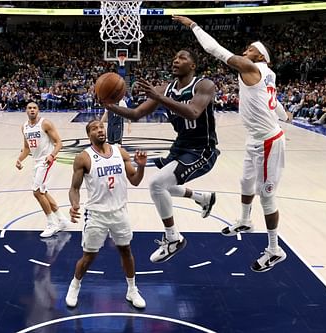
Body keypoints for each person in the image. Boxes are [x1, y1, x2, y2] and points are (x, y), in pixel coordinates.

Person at [173, 15, 291, 272]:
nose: (244, 51)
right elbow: (274, 100)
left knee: (267, 196)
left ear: (260, 57)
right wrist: (284, 115)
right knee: (245, 182)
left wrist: (193, 25)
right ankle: (245, 221)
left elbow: (214, 49)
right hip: (255, 137)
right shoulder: (267, 74)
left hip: (269, 141)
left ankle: (274, 249)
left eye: (250, 49)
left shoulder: (252, 68)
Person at [103, 49, 218, 264]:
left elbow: (193, 112)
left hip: (202, 148)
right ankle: (202, 198)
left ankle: (173, 238)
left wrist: (159, 97)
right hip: (180, 146)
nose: (175, 60)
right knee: (161, 185)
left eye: (182, 58)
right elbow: (137, 113)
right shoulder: (166, 89)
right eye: (174, 57)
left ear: (192, 66)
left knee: (157, 184)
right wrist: (110, 106)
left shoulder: (204, 85)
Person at [65, 120, 147, 309]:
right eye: (94, 128)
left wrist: (141, 166)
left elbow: (134, 180)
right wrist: (74, 204)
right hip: (96, 214)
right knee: (88, 256)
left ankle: (132, 290)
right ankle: (74, 285)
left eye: (101, 127)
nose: (100, 130)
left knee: (126, 250)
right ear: (89, 135)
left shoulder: (120, 152)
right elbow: (74, 188)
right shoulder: (83, 158)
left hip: (119, 212)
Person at [16, 102, 68, 238]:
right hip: (36, 162)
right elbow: (27, 148)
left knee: (37, 192)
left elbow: (59, 142)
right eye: (29, 108)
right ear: (26, 110)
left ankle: (52, 224)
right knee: (43, 192)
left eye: (34, 108)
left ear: (38, 110)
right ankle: (61, 219)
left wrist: (52, 155)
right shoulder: (24, 127)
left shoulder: (45, 123)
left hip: (46, 161)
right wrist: (19, 159)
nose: (32, 110)